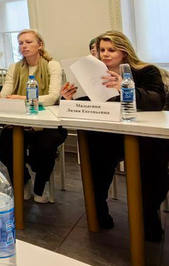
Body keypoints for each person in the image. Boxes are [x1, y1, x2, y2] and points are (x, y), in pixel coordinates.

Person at [62, 31, 168, 241]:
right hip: (108, 134)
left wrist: (124, 87)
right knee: (93, 149)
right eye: (102, 50)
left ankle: (148, 214)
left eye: (111, 50)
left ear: (124, 52)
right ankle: (98, 210)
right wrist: (67, 98)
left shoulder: (146, 71)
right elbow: (84, 105)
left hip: (142, 134)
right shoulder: (93, 74)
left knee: (153, 159)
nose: (105, 54)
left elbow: (156, 101)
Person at [0, 29, 67, 203]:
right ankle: (24, 181)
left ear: (40, 45)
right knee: (4, 148)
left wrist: (25, 99)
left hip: (47, 123)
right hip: (19, 121)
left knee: (45, 146)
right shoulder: (15, 67)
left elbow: (53, 97)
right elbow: (6, 93)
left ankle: (40, 186)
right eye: (21, 43)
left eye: (29, 42)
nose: (24, 46)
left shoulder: (52, 65)